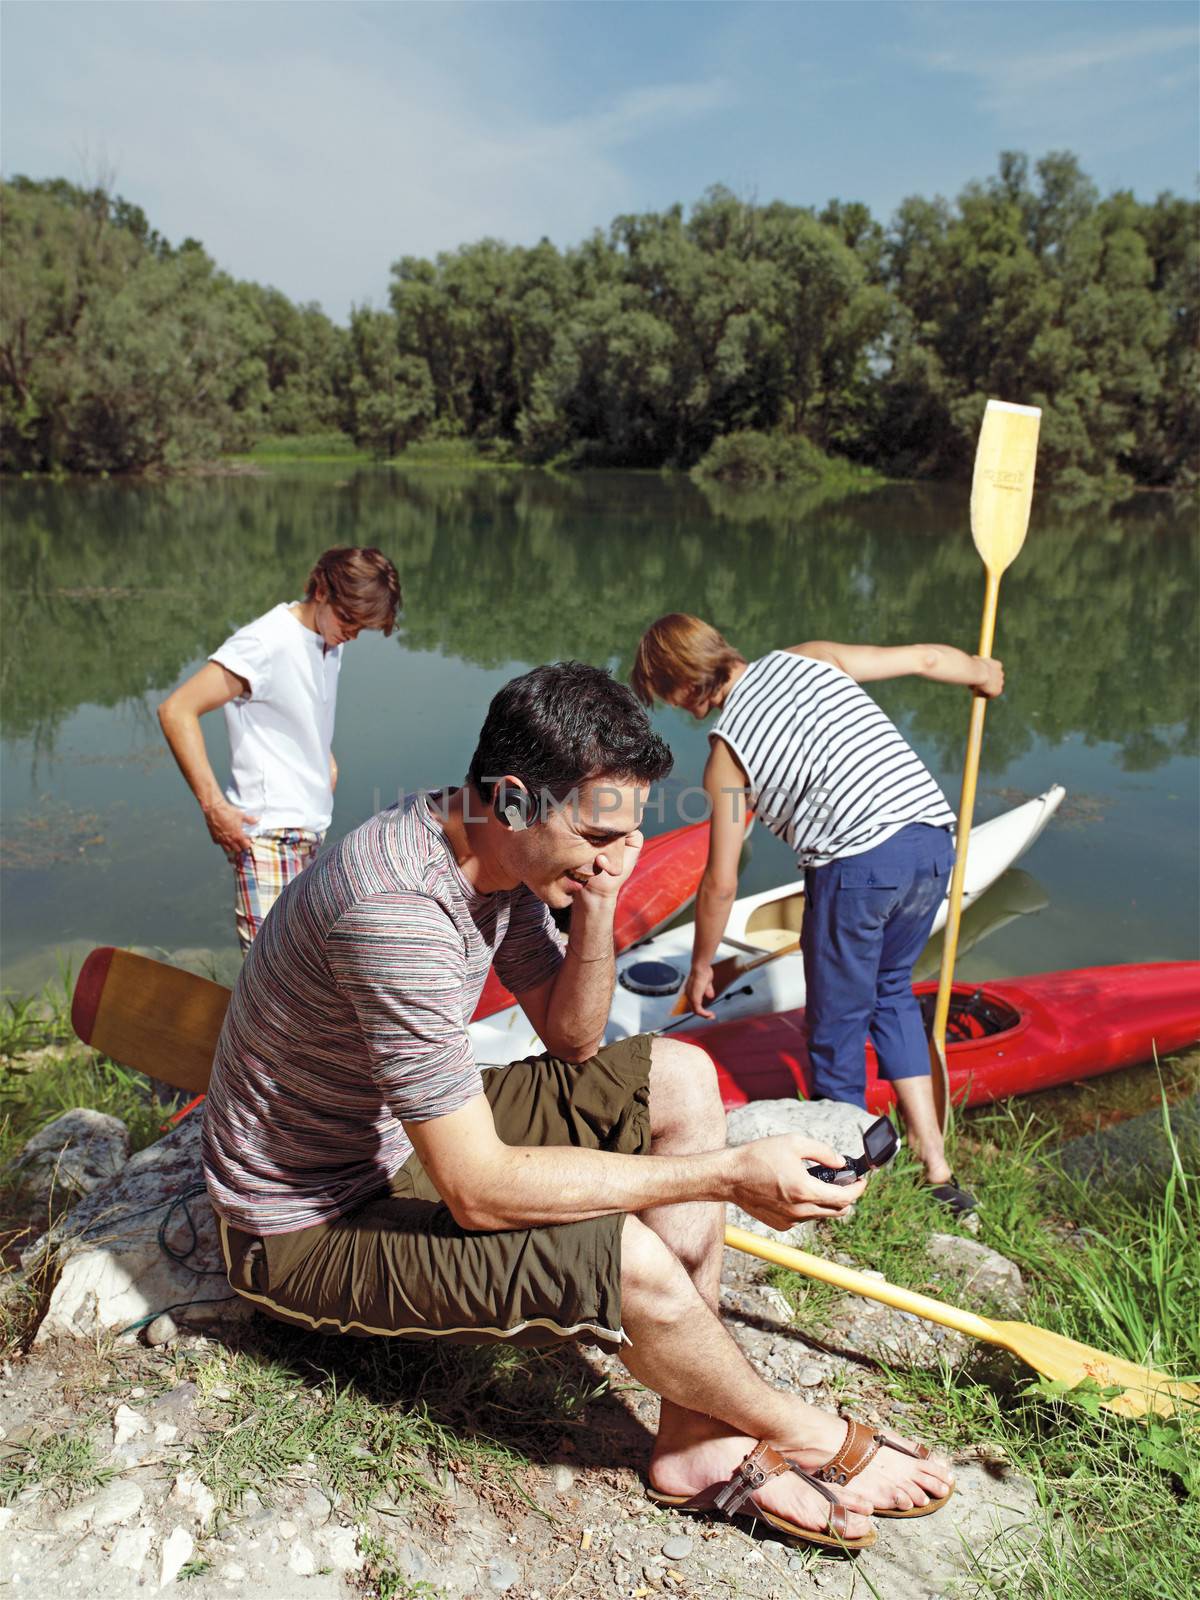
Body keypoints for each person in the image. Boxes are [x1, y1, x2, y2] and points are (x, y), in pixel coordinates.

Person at [201, 661, 955, 1549]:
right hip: (303, 1228)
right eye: (598, 833)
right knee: (628, 1255)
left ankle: (691, 1437)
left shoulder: (481, 844)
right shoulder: (397, 909)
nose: (614, 854)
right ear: (516, 798)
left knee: (679, 1075)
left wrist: (596, 904)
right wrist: (721, 1176)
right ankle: (798, 1428)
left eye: (628, 836)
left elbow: (572, 1040)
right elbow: (479, 1189)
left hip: (391, 1139)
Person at [631, 614, 1005, 1214]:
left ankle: (846, 1182)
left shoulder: (726, 759)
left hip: (855, 866)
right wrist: (982, 673)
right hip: (931, 843)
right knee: (892, 992)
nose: (671, 706)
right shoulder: (811, 655)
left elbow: (720, 880)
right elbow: (928, 660)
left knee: (835, 1025)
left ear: (680, 683)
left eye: (663, 693)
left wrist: (702, 964)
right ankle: (937, 1167)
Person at [158, 547, 401, 954]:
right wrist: (215, 807)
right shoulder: (266, 641)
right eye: (349, 620)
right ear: (321, 589)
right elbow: (177, 710)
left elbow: (298, 709)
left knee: (308, 979)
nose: (352, 634)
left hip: (309, 835)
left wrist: (324, 761)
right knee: (273, 982)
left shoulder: (328, 642)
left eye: (362, 628)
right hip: (267, 838)